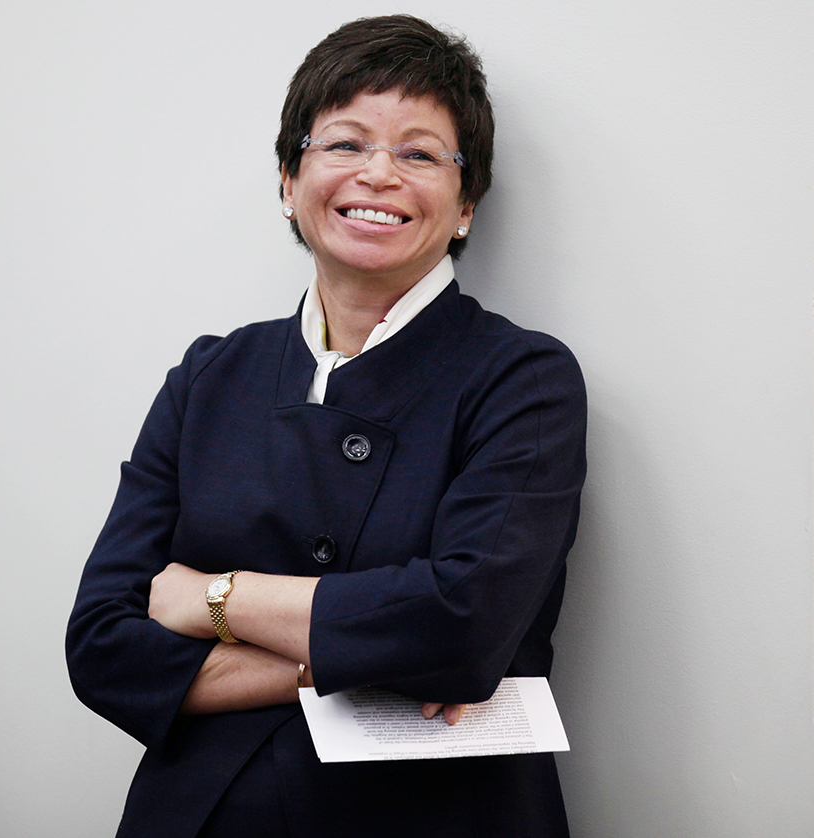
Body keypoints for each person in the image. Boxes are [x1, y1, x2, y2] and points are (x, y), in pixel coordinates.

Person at [66, 14, 586, 838]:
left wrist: (213, 599)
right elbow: (101, 645)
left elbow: (464, 629)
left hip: (438, 816)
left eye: (419, 153)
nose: (378, 173)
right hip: (205, 811)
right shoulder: (210, 375)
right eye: (343, 144)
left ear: (466, 206)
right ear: (287, 179)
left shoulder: (522, 378)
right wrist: (367, 652)